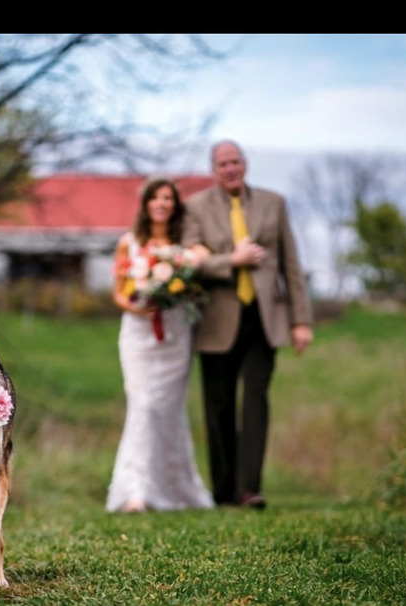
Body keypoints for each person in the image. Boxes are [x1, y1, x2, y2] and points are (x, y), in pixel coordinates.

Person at [182, 140, 313, 509]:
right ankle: (224, 490)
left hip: (265, 318)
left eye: (235, 161)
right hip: (218, 320)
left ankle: (249, 488)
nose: (230, 168)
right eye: (223, 163)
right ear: (214, 169)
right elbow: (190, 260)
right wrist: (232, 260)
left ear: (245, 164)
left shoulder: (274, 203)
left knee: (256, 401)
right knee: (219, 406)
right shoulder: (195, 208)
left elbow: (291, 264)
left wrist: (300, 320)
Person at [106, 177, 214, 513]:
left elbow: (196, 284)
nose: (162, 203)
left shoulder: (185, 248)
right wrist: (138, 306)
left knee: (169, 411)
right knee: (143, 405)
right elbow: (119, 293)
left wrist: (175, 287)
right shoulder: (130, 243)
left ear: (175, 205)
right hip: (139, 334)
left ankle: (178, 489)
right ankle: (135, 490)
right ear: (146, 204)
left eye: (168, 198)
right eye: (156, 198)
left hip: (175, 334)